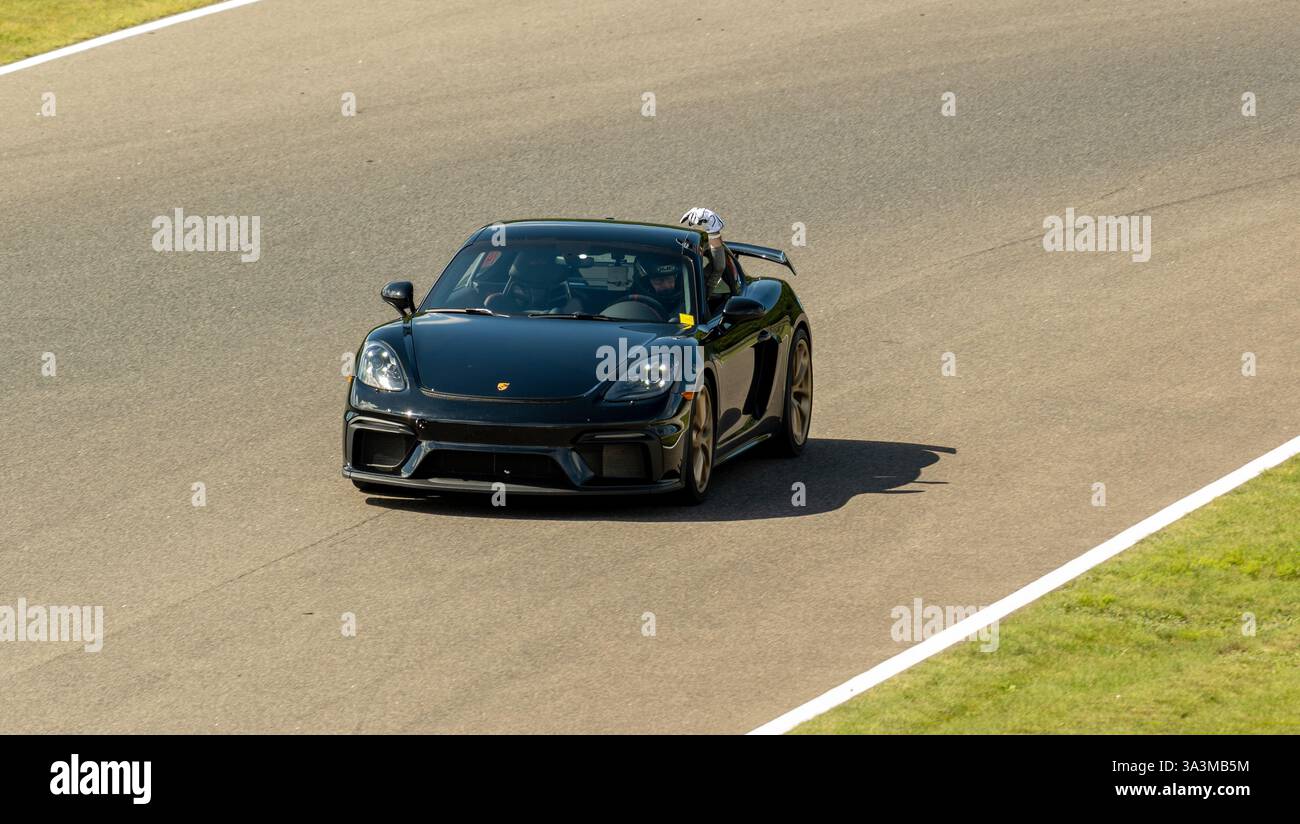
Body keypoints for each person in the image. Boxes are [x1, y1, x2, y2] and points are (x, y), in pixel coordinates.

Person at [483, 248, 576, 313]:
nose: (538, 267)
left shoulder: (573, 301)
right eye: (533, 263)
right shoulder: (499, 301)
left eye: (542, 263)